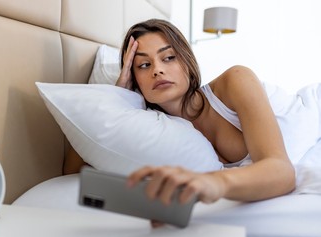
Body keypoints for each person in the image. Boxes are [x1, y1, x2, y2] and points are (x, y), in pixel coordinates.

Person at [64, 18, 295, 207]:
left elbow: (282, 172)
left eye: (169, 57)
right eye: (144, 65)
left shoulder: (235, 80)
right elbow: (72, 172)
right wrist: (118, 96)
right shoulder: (150, 127)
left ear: (187, 60)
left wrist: (216, 183)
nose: (158, 70)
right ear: (135, 80)